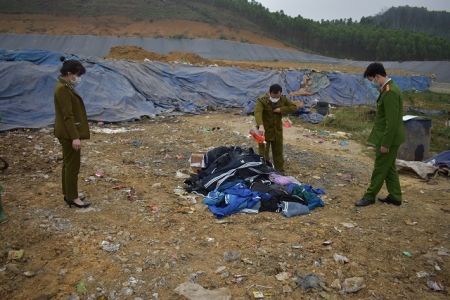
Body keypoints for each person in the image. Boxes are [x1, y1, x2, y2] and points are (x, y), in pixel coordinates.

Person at [355, 62, 405, 207]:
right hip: (386, 137)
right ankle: (395, 196)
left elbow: (392, 122)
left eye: (372, 80)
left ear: (377, 76)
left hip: (388, 138)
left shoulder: (390, 92)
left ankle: (369, 196)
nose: (373, 83)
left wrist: (385, 143)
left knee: (380, 168)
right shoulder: (388, 89)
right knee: (389, 168)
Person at [54, 56, 91, 208]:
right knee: (72, 166)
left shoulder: (65, 86)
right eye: (78, 75)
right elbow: (67, 116)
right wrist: (75, 137)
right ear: (70, 74)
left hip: (65, 132)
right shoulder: (62, 89)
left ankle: (69, 194)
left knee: (68, 165)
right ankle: (73, 198)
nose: (78, 78)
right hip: (67, 134)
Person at [254, 84, 297, 174]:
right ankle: (264, 171)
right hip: (264, 132)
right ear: (269, 93)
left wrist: (281, 109)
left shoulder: (283, 99)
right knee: (263, 154)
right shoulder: (262, 100)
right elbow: (258, 112)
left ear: (280, 94)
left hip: (277, 131)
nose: (276, 99)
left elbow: (293, 107)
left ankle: (280, 171)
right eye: (274, 97)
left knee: (278, 153)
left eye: (277, 97)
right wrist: (260, 125)